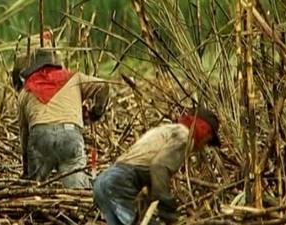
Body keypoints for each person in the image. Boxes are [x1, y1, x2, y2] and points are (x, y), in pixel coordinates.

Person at [93, 108, 221, 225]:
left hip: (103, 182)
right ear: (205, 132)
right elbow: (159, 167)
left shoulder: (166, 130)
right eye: (208, 141)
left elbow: (144, 168)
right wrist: (167, 206)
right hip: (118, 184)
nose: (205, 146)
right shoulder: (184, 137)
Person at [13, 48, 110, 188]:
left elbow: (24, 135)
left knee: (35, 189)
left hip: (41, 138)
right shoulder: (74, 78)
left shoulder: (26, 90)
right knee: (77, 187)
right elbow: (103, 86)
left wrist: (27, 172)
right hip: (70, 136)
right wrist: (96, 113)